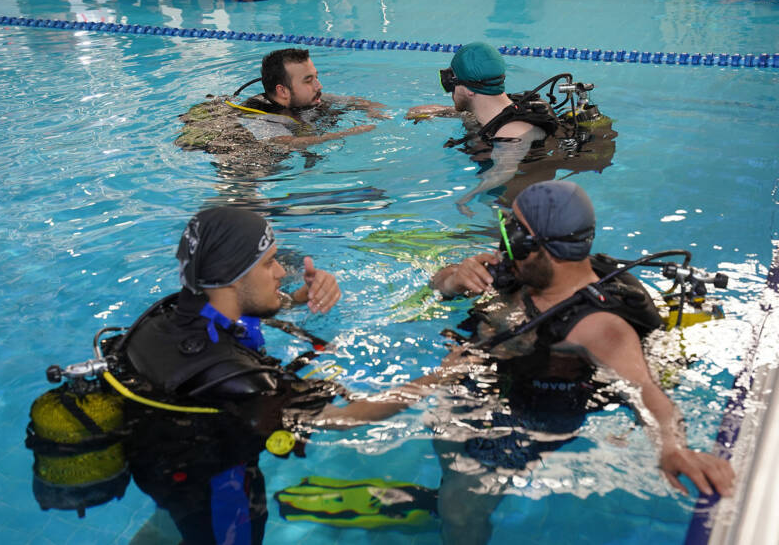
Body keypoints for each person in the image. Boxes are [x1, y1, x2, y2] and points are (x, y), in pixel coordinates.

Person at [429, 180, 735, 544]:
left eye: (513, 228)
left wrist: (673, 447)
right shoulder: (527, 270)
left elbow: (644, 389)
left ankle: (459, 512)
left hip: (532, 413)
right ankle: (447, 489)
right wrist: (454, 279)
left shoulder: (597, 326)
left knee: (460, 510)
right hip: (485, 382)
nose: (505, 238)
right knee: (447, 446)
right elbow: (438, 284)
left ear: (532, 244)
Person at [121, 206, 443, 545]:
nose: (279, 272)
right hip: (223, 500)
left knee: (173, 523)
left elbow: (237, 310)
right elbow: (350, 416)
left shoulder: (163, 318)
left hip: (170, 474)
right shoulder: (239, 380)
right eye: (268, 263)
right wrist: (445, 373)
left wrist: (294, 300)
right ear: (232, 275)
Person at [406, 42, 615, 217]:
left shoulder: (513, 131)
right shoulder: (500, 108)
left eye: (451, 83)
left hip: (526, 196)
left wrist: (466, 197)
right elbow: (459, 112)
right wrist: (431, 112)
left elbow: (503, 171)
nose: (449, 90)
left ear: (468, 90)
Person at [176, 48, 385, 172]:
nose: (319, 85)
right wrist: (347, 133)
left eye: (316, 77)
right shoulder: (259, 119)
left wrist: (373, 110)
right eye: (308, 80)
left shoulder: (309, 99)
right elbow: (287, 143)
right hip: (243, 159)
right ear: (282, 91)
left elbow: (362, 102)